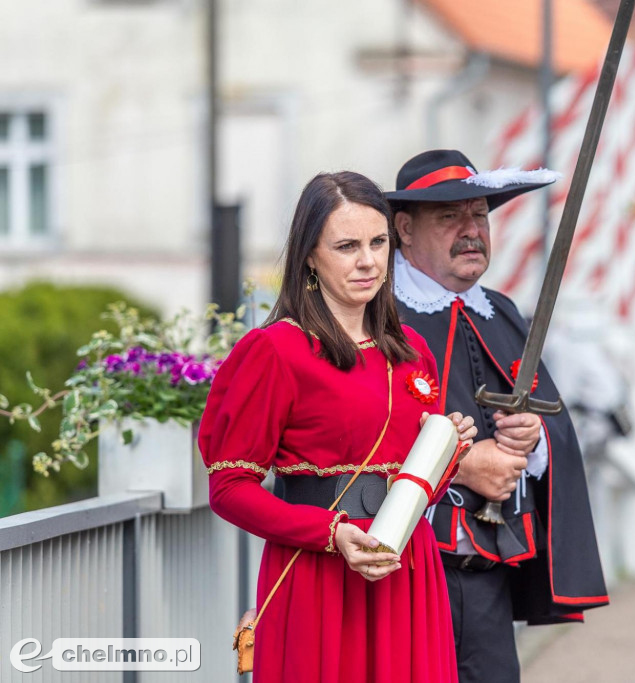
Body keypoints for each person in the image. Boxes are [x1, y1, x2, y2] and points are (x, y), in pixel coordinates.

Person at [198, 171, 477, 683]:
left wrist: (446, 453)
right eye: (347, 246)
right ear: (309, 254)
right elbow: (228, 488)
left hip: (406, 569)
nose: (368, 261)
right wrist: (332, 533)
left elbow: (423, 488)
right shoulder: (273, 351)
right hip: (318, 572)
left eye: (378, 242)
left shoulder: (412, 351)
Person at [386, 149, 609, 683]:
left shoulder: (500, 312)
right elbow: (353, 430)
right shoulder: (378, 315)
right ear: (404, 229)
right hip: (401, 570)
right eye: (449, 217)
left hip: (485, 573)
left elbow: (551, 419)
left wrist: (533, 440)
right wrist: (461, 462)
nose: (471, 231)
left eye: (479, 215)